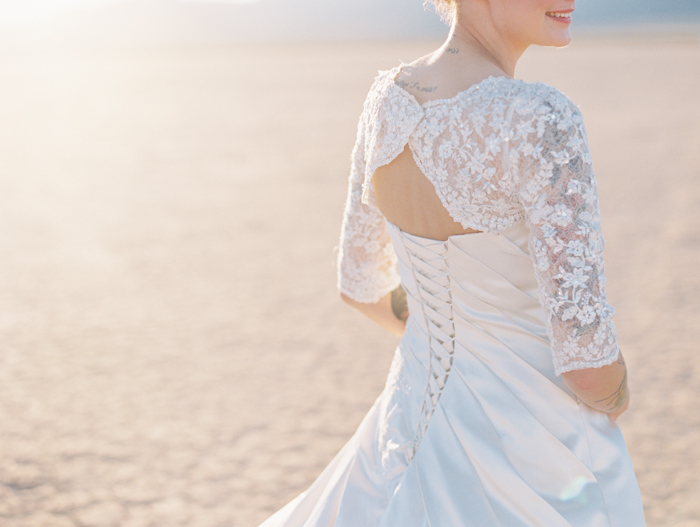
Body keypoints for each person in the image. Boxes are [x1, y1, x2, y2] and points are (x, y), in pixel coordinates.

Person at [259, 0, 646, 524]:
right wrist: (616, 391)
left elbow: (361, 286)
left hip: (406, 421)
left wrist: (443, 338)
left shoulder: (387, 100)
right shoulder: (540, 118)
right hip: (536, 447)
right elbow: (587, 368)